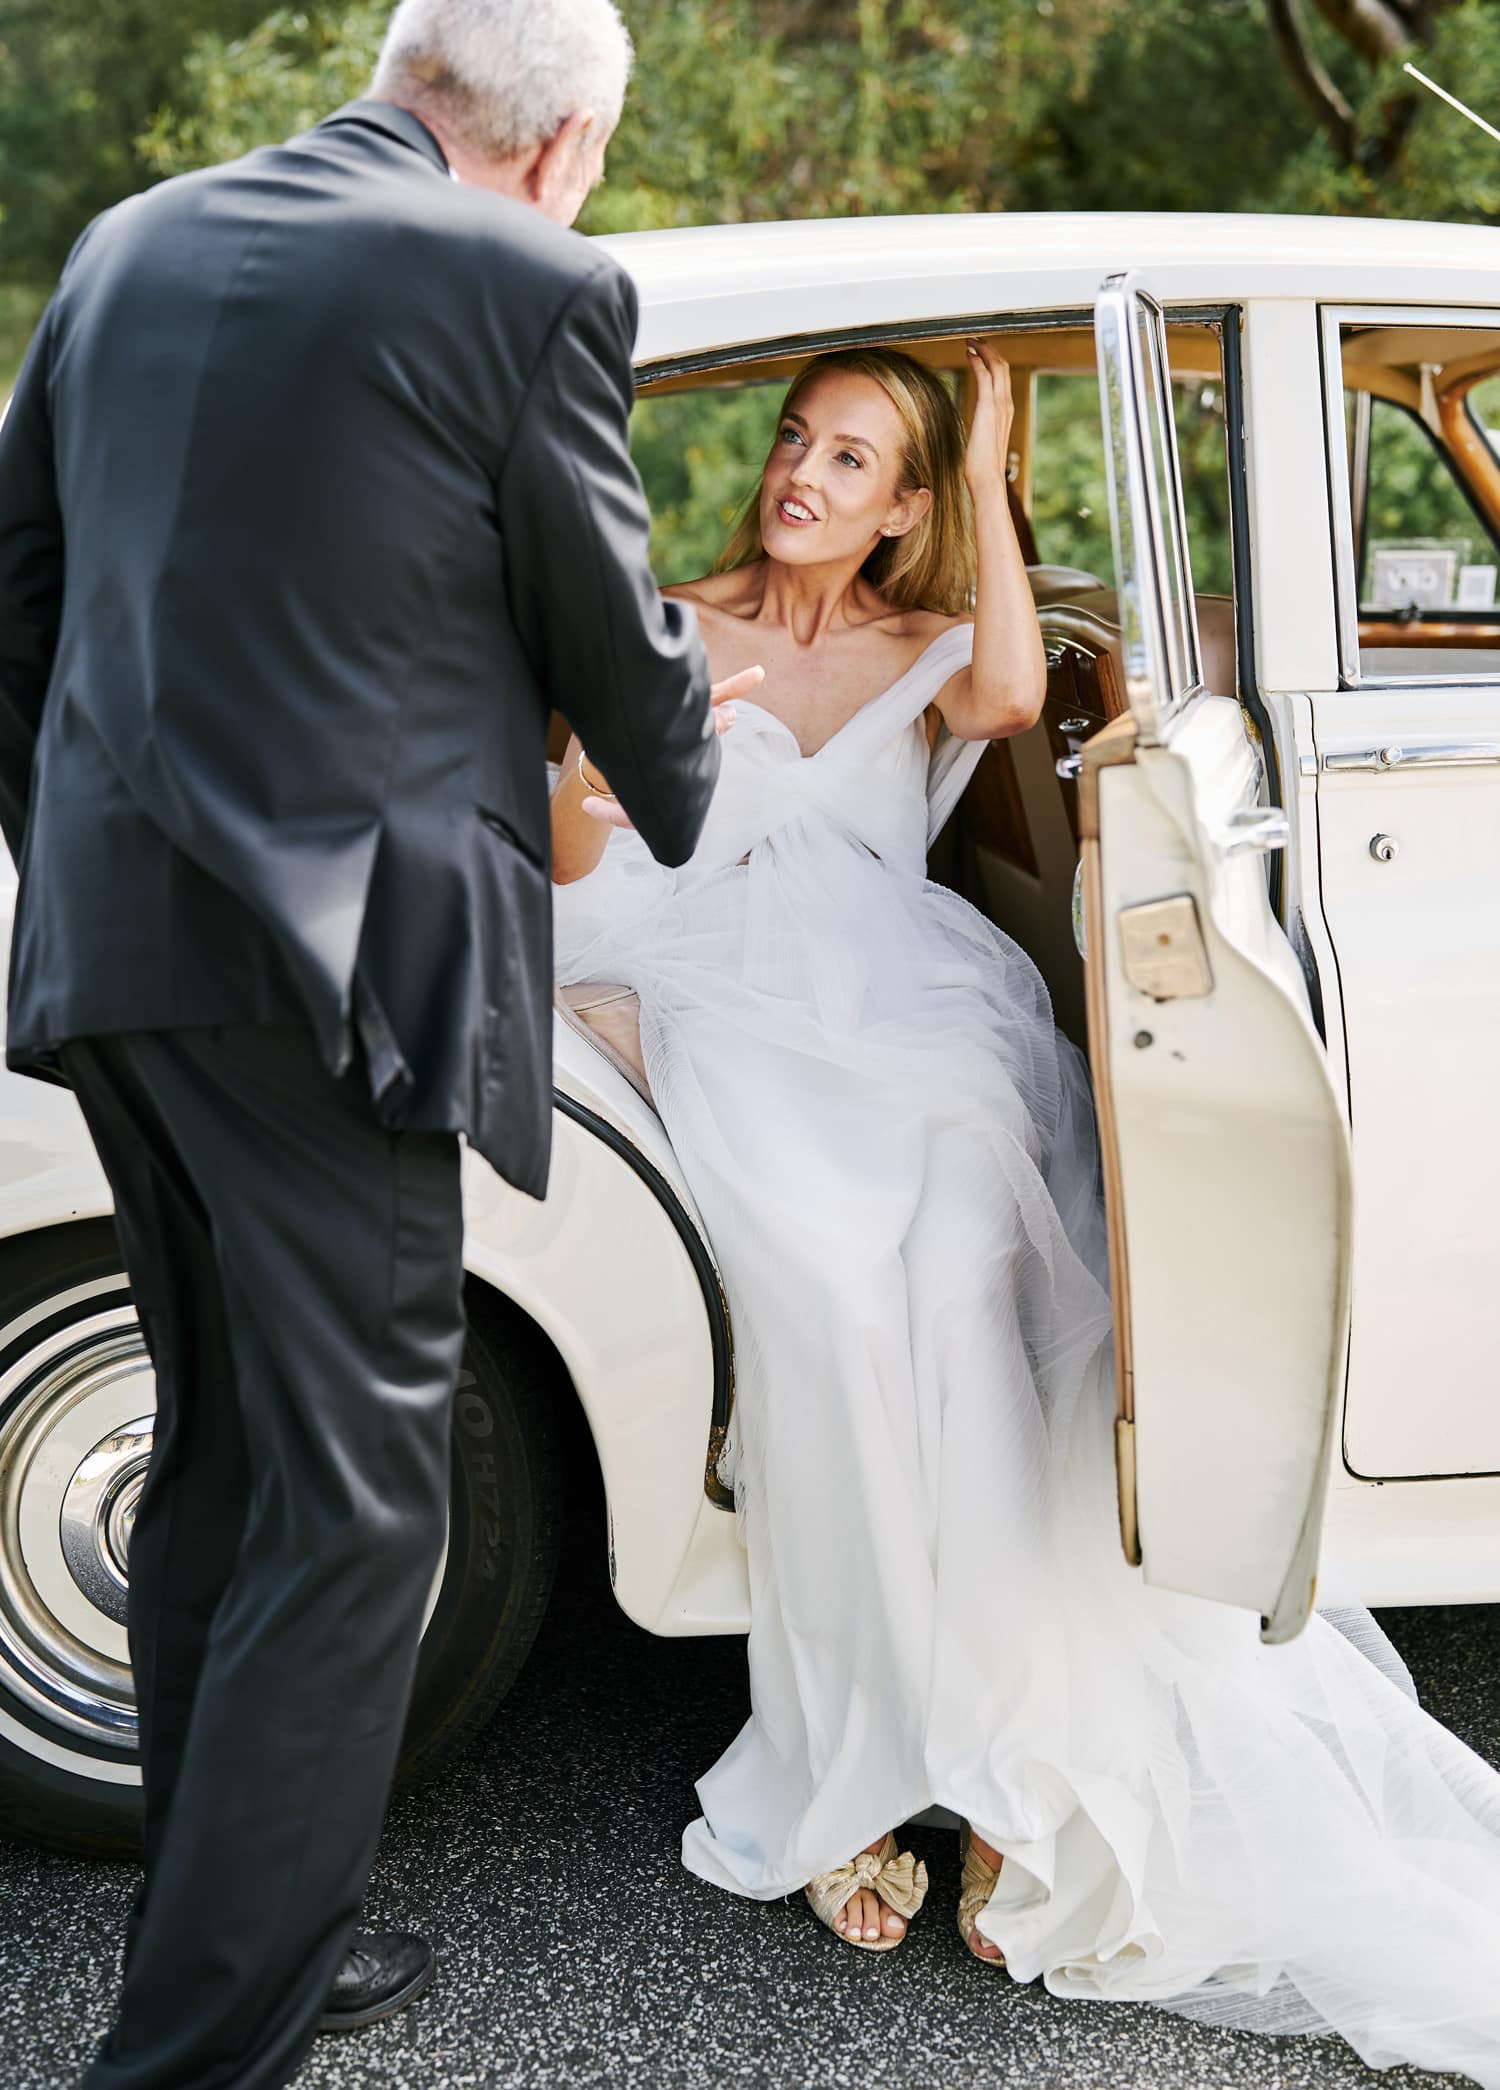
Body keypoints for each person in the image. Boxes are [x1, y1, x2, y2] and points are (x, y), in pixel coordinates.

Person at [552, 341, 1500, 2087]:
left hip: (903, 1006)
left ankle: (1001, 1760)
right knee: (831, 1291)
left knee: (974, 1267)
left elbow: (1007, 692)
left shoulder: (924, 642)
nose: (803, 477)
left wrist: (989, 466)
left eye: (853, 459)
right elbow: (563, 851)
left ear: (903, 503)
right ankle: (845, 1754)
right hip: (706, 989)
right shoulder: (670, 619)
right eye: (794, 442)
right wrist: (594, 778)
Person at [0, 0, 723, 2090]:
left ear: (397, 67)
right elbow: (610, 628)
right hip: (342, 994)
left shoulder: (129, 243)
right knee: (356, 1510)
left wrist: (94, 845)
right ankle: (196, 2056)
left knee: (226, 1473)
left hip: (123, 955)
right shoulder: (525, 290)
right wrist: (678, 755)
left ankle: (247, 1948)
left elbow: (13, 587)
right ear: (563, 137)